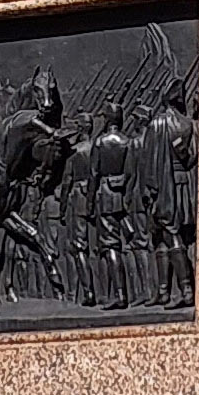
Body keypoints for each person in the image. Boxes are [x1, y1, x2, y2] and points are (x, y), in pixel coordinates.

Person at [141, 77, 197, 308]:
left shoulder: (158, 124)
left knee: (171, 235)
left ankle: (186, 291)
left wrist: (149, 192)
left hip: (164, 187)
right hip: (182, 184)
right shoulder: (188, 124)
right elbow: (192, 157)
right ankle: (163, 291)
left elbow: (150, 161)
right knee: (162, 239)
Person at [88, 101, 130, 309]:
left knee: (110, 245)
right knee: (118, 243)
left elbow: (94, 173)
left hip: (104, 195)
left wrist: (89, 203)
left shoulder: (101, 142)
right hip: (120, 195)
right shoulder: (126, 141)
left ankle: (120, 294)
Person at [59, 113, 96, 306]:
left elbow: (67, 181)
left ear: (81, 128)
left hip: (78, 198)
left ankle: (88, 292)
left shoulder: (75, 151)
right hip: (96, 197)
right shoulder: (97, 147)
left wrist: (62, 206)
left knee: (79, 246)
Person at [123, 104, 154, 305]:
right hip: (154, 197)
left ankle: (146, 290)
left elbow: (130, 174)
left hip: (138, 197)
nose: (133, 122)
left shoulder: (136, 143)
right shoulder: (155, 142)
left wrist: (126, 197)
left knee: (140, 243)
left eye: (135, 118)